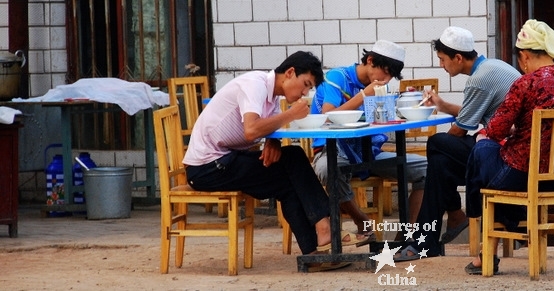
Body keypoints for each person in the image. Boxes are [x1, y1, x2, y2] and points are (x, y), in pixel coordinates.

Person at [182, 51, 349, 263]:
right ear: (289, 73)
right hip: (207, 168)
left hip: (227, 161)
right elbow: (251, 130)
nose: (305, 93)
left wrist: (273, 141)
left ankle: (313, 252)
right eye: (305, 84)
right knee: (295, 157)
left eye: (309, 89)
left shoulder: (272, 96)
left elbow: (264, 127)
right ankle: (325, 225)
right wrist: (291, 114)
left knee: (288, 183)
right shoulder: (255, 85)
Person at [461, 19, 554, 275]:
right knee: (487, 164)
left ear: (525, 56)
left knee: (480, 149)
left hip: (521, 176)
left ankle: (483, 236)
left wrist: (485, 135)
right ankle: (501, 228)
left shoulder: (525, 83)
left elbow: (496, 130)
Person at [396, 26, 522, 261]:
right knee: (440, 165)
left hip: (506, 154)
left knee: (436, 142)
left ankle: (451, 217)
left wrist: (445, 124)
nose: (442, 66)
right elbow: (472, 115)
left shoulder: (479, 80)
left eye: (443, 60)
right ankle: (430, 238)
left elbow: (459, 130)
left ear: (458, 57)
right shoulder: (493, 67)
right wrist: (442, 106)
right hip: (508, 149)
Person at [310, 40, 428, 242]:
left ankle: (404, 237)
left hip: (368, 152)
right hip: (333, 151)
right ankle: (362, 222)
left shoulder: (379, 89)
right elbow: (328, 115)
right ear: (371, 61)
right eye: (386, 72)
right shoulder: (337, 77)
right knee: (327, 170)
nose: (387, 79)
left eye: (392, 75)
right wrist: (364, 95)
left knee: (427, 169)